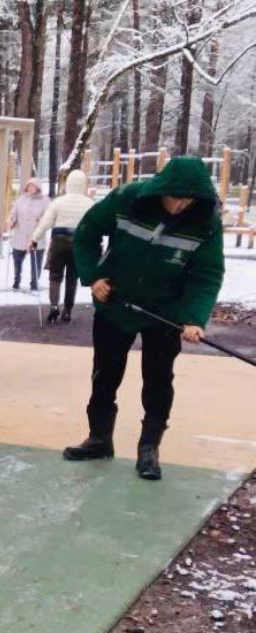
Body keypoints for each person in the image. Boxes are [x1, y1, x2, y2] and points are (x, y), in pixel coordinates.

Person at [63, 156, 224, 481]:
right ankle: (99, 439)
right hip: (115, 303)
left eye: (189, 199)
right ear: (161, 188)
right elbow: (87, 232)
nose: (180, 205)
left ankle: (149, 448)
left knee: (159, 380)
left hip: (164, 313)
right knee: (105, 375)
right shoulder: (128, 199)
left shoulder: (205, 222)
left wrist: (194, 318)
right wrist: (94, 277)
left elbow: (207, 273)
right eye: (175, 196)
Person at [32, 169, 95, 323]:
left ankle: (54, 306)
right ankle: (67, 310)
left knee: (55, 276)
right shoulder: (89, 203)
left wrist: (34, 239)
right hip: (79, 243)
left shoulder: (58, 202)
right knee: (72, 278)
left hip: (58, 241)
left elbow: (45, 222)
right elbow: (94, 225)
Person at [8, 178, 50, 291]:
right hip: (20, 235)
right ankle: (16, 280)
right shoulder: (21, 199)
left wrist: (40, 222)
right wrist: (13, 220)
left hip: (36, 237)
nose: (30, 188)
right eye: (29, 186)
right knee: (17, 260)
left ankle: (34, 283)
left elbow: (48, 217)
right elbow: (14, 212)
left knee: (36, 261)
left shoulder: (45, 201)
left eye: (33, 186)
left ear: (38, 188)